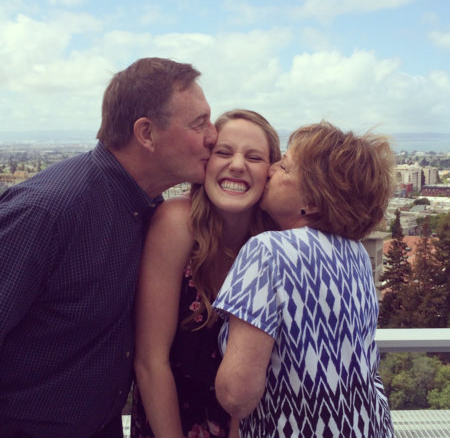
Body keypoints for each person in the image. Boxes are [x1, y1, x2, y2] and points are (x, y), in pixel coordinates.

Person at [0, 57, 217, 437]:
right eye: (198, 123)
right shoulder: (47, 212)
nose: (213, 135)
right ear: (146, 134)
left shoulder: (149, 210)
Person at [213, 121, 395, 437]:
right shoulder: (356, 256)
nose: (270, 170)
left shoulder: (267, 250)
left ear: (311, 201)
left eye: (284, 167)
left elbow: (237, 397)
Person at [132, 109, 281, 438]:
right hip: (173, 422)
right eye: (223, 152)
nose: (237, 165)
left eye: (254, 157)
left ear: (270, 172)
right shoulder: (177, 223)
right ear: (205, 163)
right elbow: (150, 362)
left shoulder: (275, 242)